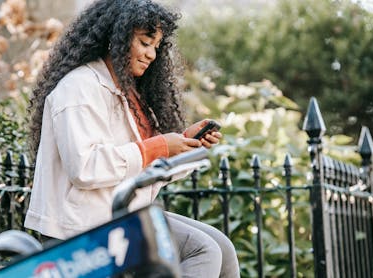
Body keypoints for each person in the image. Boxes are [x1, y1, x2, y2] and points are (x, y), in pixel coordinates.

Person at [24, 0, 239, 277]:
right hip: (81, 228)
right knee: (203, 249)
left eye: (156, 47)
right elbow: (85, 168)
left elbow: (143, 168)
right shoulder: (78, 88)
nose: (151, 54)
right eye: (145, 42)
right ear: (117, 36)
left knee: (222, 245)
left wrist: (185, 144)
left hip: (120, 215)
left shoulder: (129, 95)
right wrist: (158, 147)